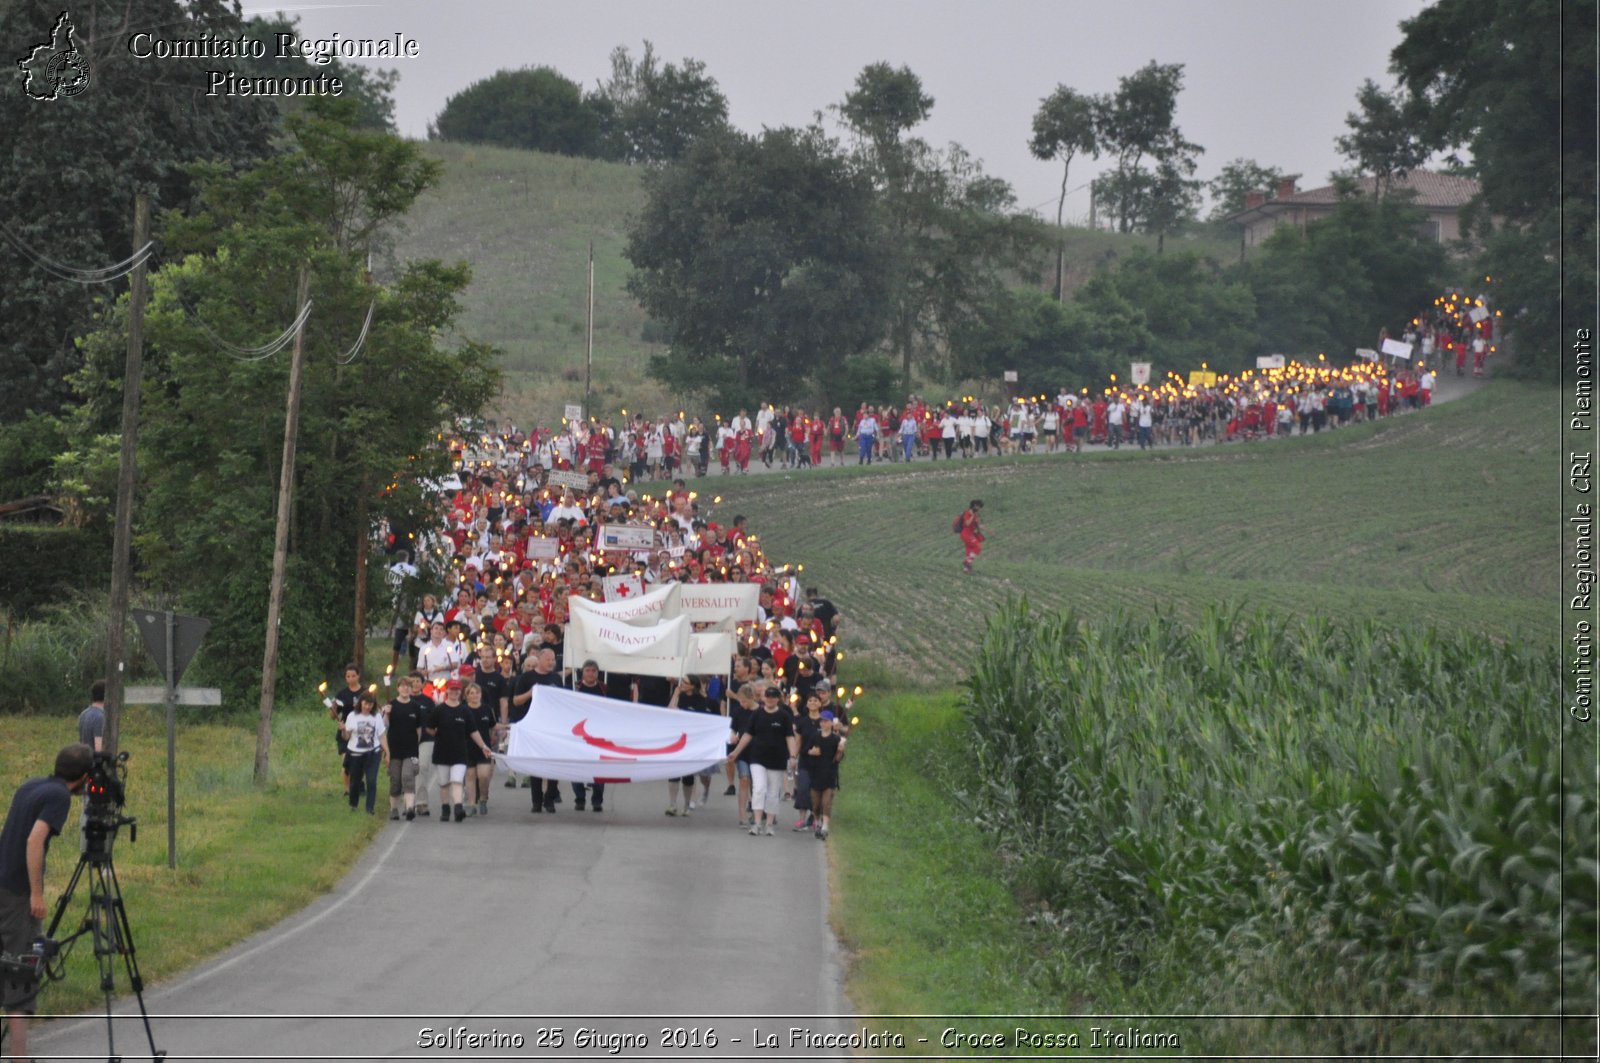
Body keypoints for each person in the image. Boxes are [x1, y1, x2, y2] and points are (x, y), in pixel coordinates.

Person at [1, 743, 94, 1063]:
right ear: (83, 778)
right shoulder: (58, 797)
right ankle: (19, 1058)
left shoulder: (32, 785)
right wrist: (37, 894)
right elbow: (34, 839)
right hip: (15, 892)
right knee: (21, 970)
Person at [726, 685, 799, 836]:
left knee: (773, 792)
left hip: (777, 759)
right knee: (759, 788)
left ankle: (770, 823)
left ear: (778, 699)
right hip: (757, 757)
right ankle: (757, 823)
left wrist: (793, 756)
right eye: (768, 696)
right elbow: (747, 735)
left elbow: (790, 737)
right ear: (764, 698)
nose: (770, 699)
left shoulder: (784, 716)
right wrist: (736, 752)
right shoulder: (757, 714)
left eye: (773, 697)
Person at [383, 676, 425, 821]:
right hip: (394, 750)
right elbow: (384, 727)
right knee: (395, 781)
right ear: (398, 688)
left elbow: (419, 729)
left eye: (408, 685)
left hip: (410, 750)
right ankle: (394, 809)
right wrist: (386, 714)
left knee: (408, 777)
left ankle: (409, 807)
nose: (405, 688)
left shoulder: (415, 707)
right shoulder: (391, 705)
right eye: (402, 686)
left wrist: (416, 745)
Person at [340, 693, 386, 815]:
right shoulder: (352, 716)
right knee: (355, 781)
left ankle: (370, 808)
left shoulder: (377, 717)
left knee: (372, 780)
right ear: (361, 703)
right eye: (365, 704)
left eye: (370, 704)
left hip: (373, 753)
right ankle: (353, 804)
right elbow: (346, 737)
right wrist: (343, 730)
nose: (367, 707)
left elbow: (382, 736)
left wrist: (388, 752)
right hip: (355, 754)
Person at [807, 711, 846, 840]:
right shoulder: (815, 737)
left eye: (826, 721)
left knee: (827, 802)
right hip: (815, 774)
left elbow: (838, 759)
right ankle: (817, 822)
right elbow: (807, 751)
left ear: (831, 723)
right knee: (816, 804)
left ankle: (825, 827)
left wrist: (840, 751)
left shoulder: (836, 739)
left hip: (829, 774)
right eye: (822, 721)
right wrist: (812, 752)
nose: (824, 723)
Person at [78, 680, 106, 753]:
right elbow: (98, 749)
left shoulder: (83, 714)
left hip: (83, 759)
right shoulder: (100, 717)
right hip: (94, 762)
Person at [958, 499, 985, 574]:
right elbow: (967, 524)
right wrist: (973, 516)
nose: (980, 509)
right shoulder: (967, 513)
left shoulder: (976, 515)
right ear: (975, 506)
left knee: (969, 552)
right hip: (966, 534)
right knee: (977, 547)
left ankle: (966, 570)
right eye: (979, 507)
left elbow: (978, 525)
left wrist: (984, 528)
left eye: (980, 507)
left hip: (970, 534)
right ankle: (966, 562)